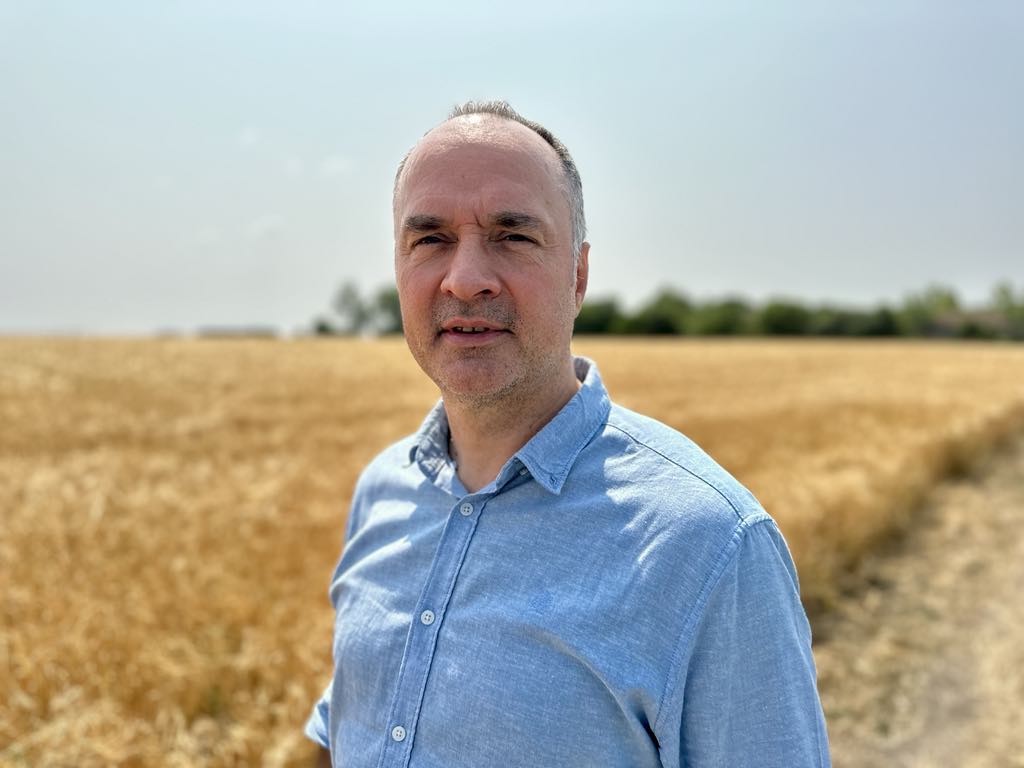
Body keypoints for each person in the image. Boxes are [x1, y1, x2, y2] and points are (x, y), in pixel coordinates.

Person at [306, 100, 831, 767]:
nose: (465, 279)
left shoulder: (710, 545)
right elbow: (344, 733)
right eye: (430, 239)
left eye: (513, 235)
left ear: (578, 276)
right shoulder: (382, 491)